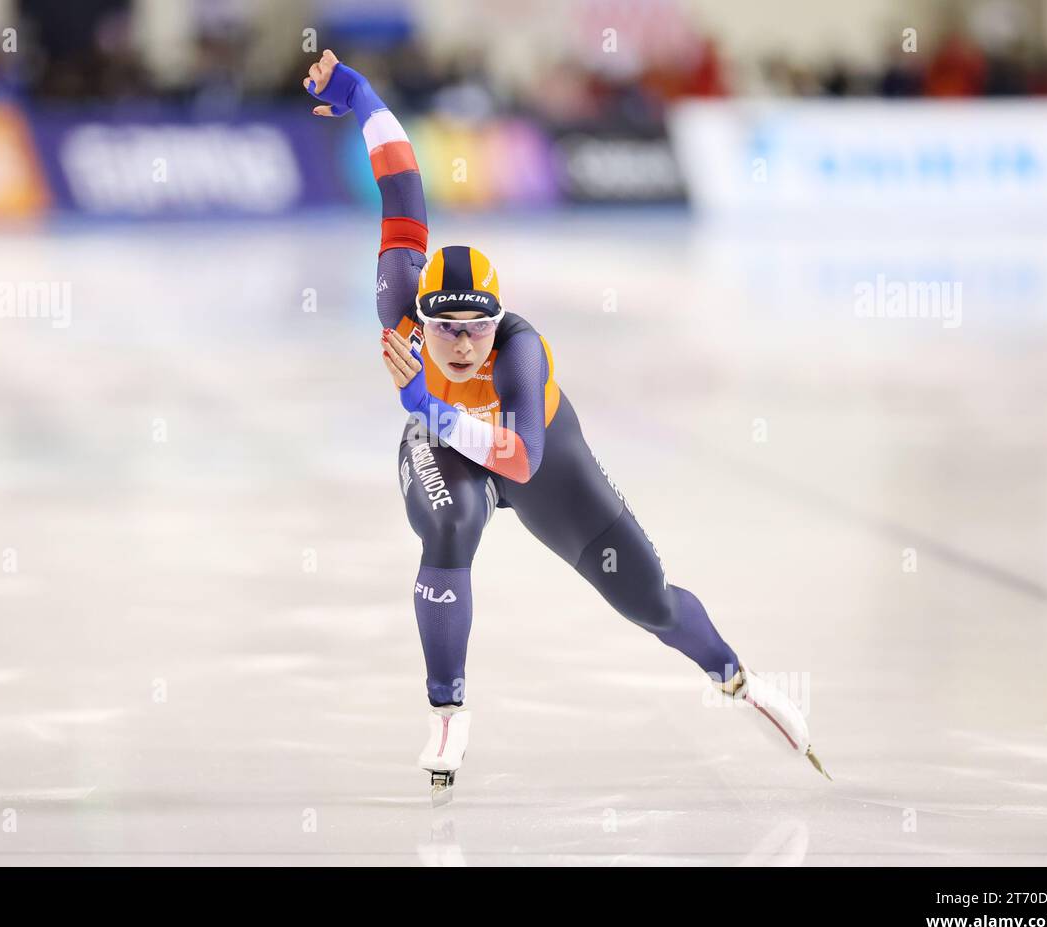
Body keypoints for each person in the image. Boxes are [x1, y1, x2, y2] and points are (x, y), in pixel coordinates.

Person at [304, 50, 828, 800]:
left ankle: (735, 678)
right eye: (443, 327)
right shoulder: (399, 300)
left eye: (473, 329)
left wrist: (426, 400)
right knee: (451, 528)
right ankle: (447, 709)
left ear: (498, 320)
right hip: (449, 452)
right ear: (421, 312)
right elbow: (401, 180)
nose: (458, 343)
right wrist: (358, 93)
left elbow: (519, 461)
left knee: (647, 599)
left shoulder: (521, 353)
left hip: (535, 455)